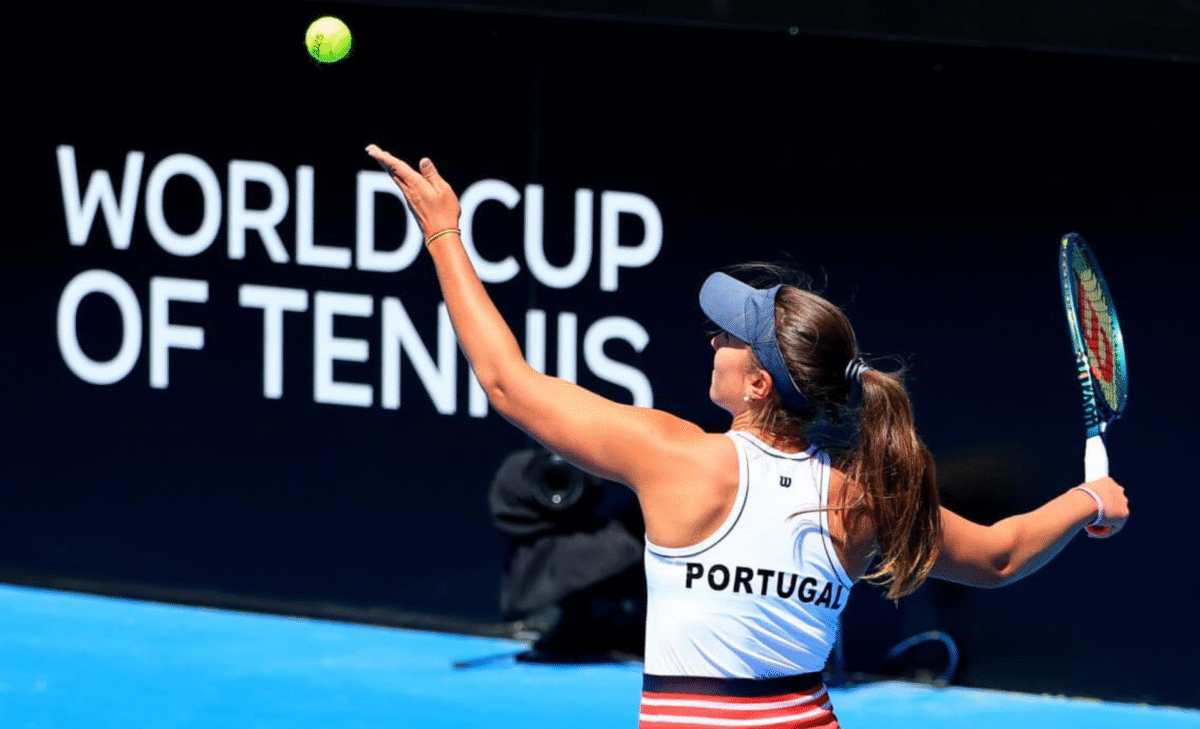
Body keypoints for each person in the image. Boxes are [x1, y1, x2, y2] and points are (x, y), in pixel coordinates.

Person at [365, 145, 1129, 729]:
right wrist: (1089, 499)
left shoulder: (676, 457)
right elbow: (999, 556)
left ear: (758, 384)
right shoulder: (860, 496)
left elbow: (506, 382)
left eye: (730, 336)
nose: (713, 340)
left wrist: (444, 233)